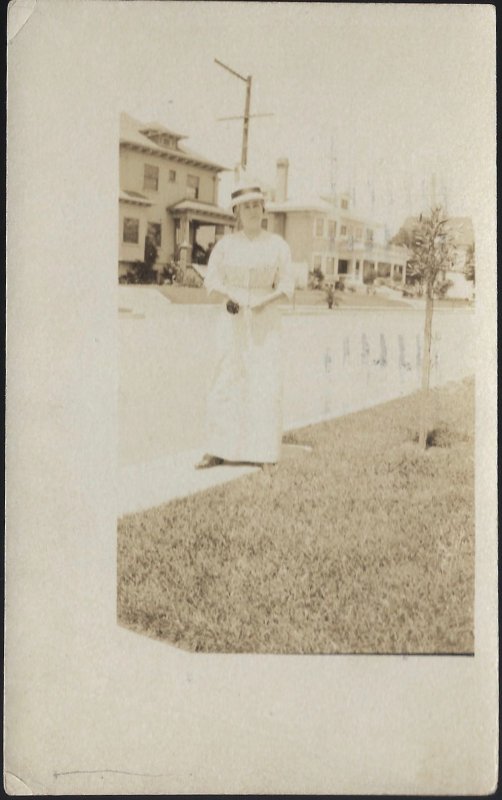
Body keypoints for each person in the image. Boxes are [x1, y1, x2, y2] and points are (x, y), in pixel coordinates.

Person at [195, 179, 295, 470]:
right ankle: (217, 449)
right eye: (245, 206)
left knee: (264, 381)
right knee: (226, 378)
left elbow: (287, 283)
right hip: (233, 319)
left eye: (256, 205)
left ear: (264, 209)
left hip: (265, 321)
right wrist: (229, 297)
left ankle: (263, 453)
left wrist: (267, 300)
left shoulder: (277, 245)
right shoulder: (226, 245)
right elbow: (212, 279)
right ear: (236, 212)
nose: (252, 211)